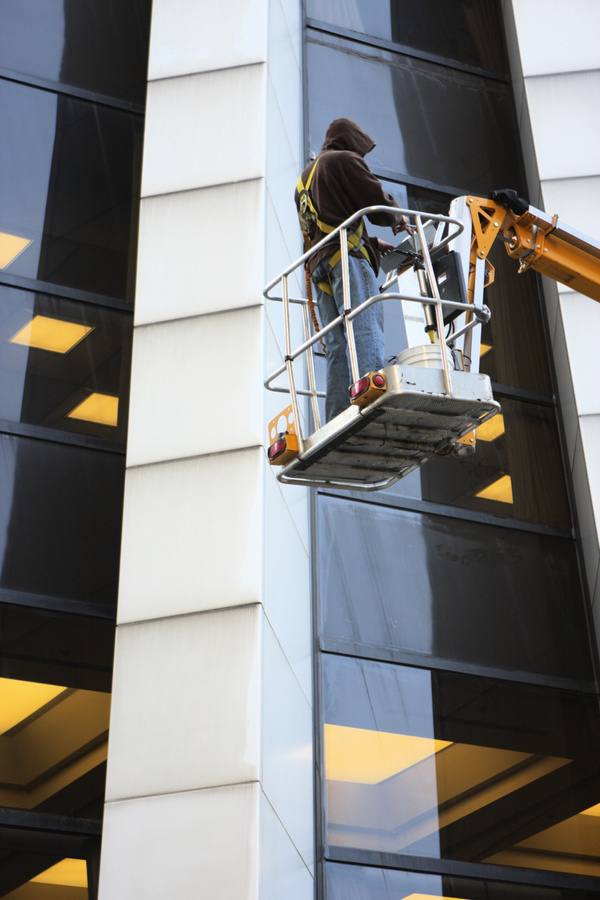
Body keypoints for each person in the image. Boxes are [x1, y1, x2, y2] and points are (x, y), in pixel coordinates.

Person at [295, 118, 412, 421]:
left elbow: (326, 226)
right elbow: (373, 198)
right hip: (346, 261)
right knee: (364, 326)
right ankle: (369, 392)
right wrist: (397, 217)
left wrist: (371, 244)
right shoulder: (344, 160)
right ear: (351, 142)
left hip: (320, 268)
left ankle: (337, 413)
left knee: (336, 345)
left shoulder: (304, 179)